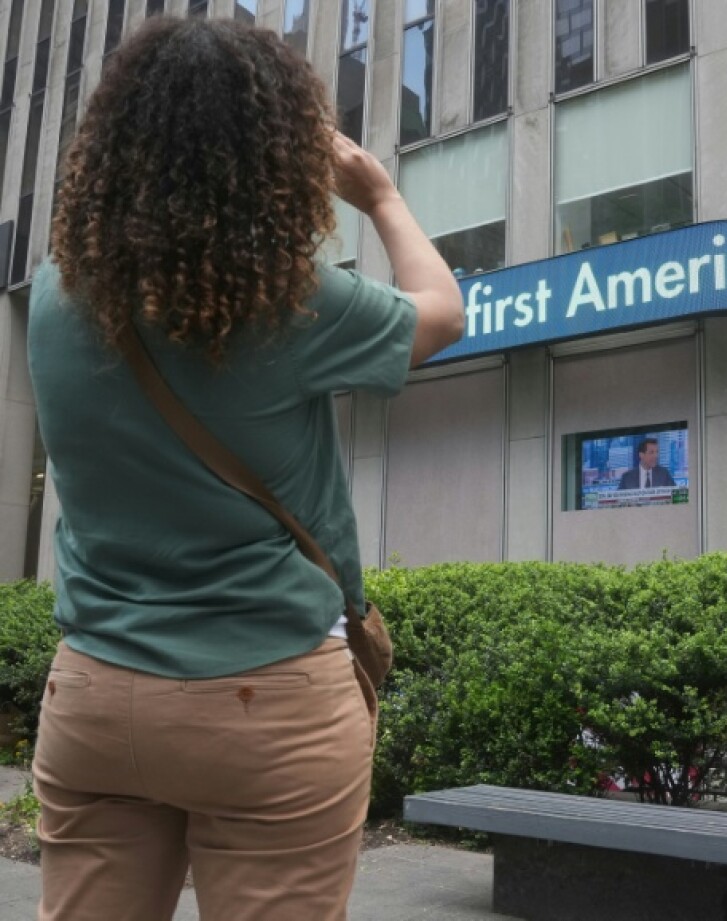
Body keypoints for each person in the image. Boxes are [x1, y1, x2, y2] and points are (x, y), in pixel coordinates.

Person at [28, 17, 463, 921]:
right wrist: (380, 196)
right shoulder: (285, 299)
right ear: (265, 154)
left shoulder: (55, 295)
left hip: (94, 691)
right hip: (267, 696)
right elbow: (442, 314)